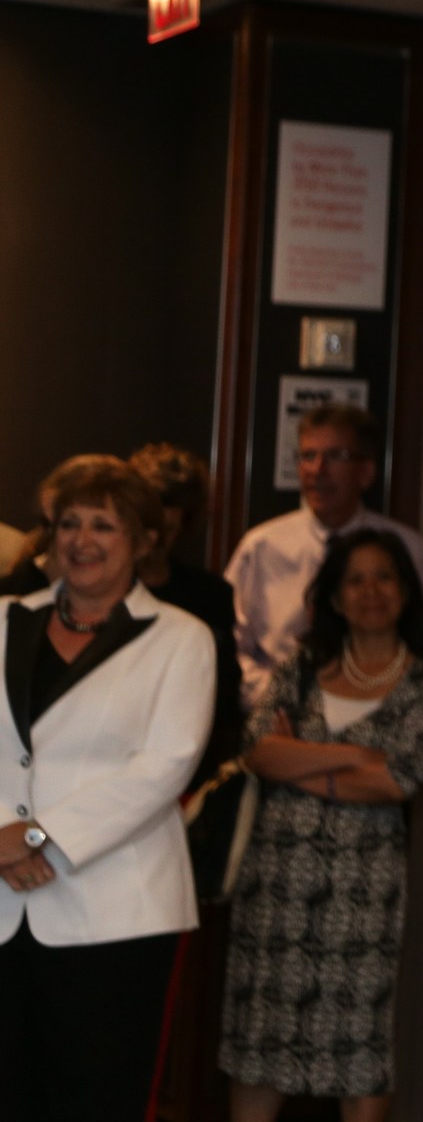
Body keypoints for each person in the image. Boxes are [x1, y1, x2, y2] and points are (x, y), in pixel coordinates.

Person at [0, 455, 218, 1119]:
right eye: (69, 522)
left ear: (145, 540)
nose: (82, 540)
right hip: (5, 907)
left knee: (97, 1101)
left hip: (116, 913)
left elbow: (164, 767)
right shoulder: (6, 618)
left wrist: (39, 835)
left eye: (105, 525)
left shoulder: (182, 639)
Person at [222, 528, 423, 1122]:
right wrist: (352, 757)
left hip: (365, 897)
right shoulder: (300, 667)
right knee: (259, 1045)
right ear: (335, 597)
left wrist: (301, 763)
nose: (371, 590)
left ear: (406, 592)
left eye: (385, 577)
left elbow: (401, 780)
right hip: (275, 891)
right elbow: (257, 750)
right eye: (355, 579)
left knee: (361, 1045)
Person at [227, 405, 423, 702]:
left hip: (380, 711)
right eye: (308, 456)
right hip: (277, 711)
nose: (318, 470)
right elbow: (231, 646)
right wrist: (281, 696)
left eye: (336, 456)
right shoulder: (261, 547)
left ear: (366, 471)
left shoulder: (406, 548)